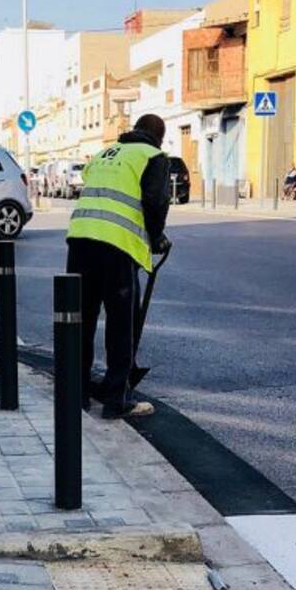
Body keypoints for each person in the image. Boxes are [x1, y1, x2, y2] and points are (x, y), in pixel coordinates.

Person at [66, 113, 171, 419]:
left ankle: (79, 392)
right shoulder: (153, 156)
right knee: (121, 323)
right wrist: (156, 237)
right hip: (116, 246)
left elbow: (96, 186)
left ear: (134, 130)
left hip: (80, 239)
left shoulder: (103, 154)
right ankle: (115, 399)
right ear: (159, 138)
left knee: (81, 321)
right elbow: (155, 202)